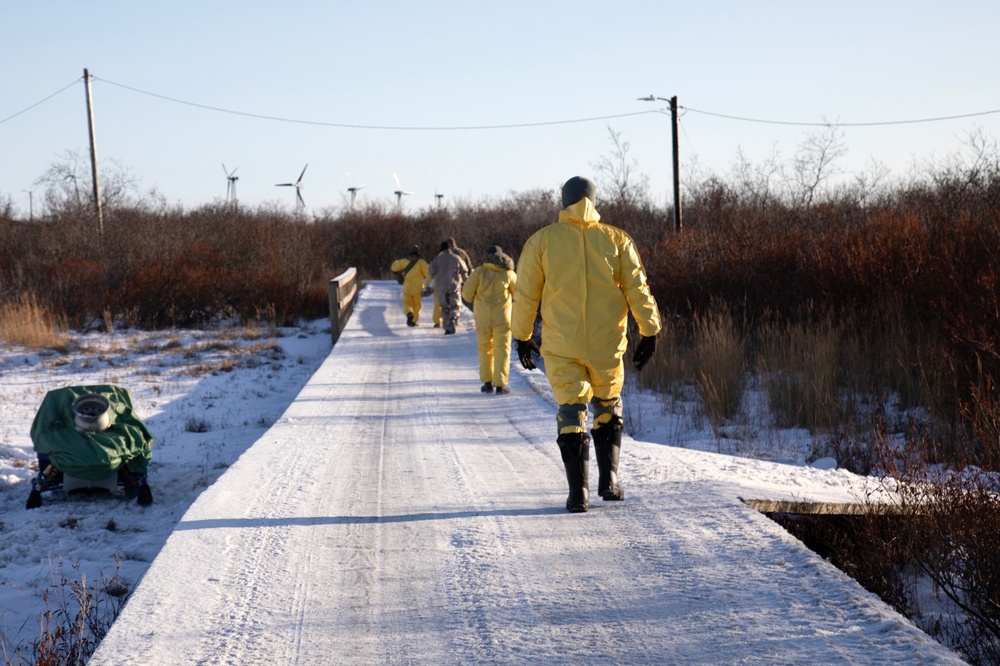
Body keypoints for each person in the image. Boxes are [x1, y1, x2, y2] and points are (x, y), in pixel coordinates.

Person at [512, 176, 661, 513]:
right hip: (607, 344)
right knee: (607, 403)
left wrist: (521, 336)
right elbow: (638, 288)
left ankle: (577, 494)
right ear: (595, 201)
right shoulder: (617, 240)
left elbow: (525, 296)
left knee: (571, 410)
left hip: (561, 345)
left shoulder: (541, 242)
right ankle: (609, 480)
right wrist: (649, 331)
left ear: (562, 202)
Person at [462, 245, 517, 394]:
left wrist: (476, 298)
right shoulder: (509, 273)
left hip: (482, 318)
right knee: (503, 349)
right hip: (503, 318)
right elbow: (519, 295)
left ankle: (487, 383)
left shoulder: (479, 272)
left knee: (485, 348)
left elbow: (466, 294)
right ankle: (500, 385)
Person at [427, 240, 469, 335]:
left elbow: (430, 272)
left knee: (444, 307)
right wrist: (466, 282)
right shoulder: (457, 258)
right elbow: (464, 271)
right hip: (454, 286)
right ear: (450, 249)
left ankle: (447, 327)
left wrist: (428, 285)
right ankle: (453, 318)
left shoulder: (437, 259)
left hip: (440, 287)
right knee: (455, 305)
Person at [390, 246, 429, 326]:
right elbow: (428, 273)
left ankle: (409, 314)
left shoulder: (404, 261)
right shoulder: (421, 262)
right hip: (418, 288)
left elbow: (393, 267)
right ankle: (415, 320)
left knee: (407, 303)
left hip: (407, 287)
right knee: (417, 304)